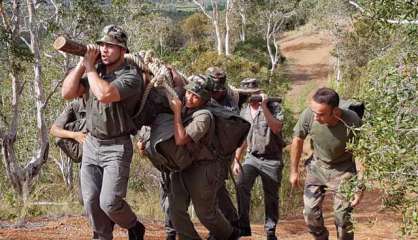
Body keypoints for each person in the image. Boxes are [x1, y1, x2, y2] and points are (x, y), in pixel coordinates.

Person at [61, 24, 145, 240]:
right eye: (102, 45)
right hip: (91, 144)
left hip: (116, 146)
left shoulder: (131, 76)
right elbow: (67, 92)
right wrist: (82, 65)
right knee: (90, 202)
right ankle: (102, 236)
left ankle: (134, 225)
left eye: (111, 46)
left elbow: (105, 94)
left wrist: (89, 68)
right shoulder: (93, 71)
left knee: (109, 202)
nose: (105, 50)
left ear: (123, 50)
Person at [168, 75, 239, 240]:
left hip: (203, 168)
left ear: (204, 100)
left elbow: (181, 139)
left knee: (206, 213)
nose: (189, 98)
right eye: (189, 93)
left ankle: (229, 235)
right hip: (183, 164)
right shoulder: (186, 106)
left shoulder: (204, 116)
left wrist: (177, 112)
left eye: (195, 96)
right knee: (175, 209)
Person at [289, 87, 364, 240]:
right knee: (310, 212)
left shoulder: (352, 120)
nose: (315, 117)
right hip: (317, 166)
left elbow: (361, 153)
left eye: (321, 114)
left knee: (342, 216)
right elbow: (297, 140)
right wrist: (294, 171)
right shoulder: (310, 114)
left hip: (344, 170)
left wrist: (360, 185)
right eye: (314, 112)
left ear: (335, 111)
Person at [233, 78, 284, 240]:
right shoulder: (244, 111)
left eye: (253, 94)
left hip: (272, 159)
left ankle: (270, 230)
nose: (251, 98)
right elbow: (242, 138)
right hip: (252, 158)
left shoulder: (274, 107)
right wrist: (236, 159)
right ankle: (243, 226)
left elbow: (276, 128)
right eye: (247, 95)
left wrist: (264, 106)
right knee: (241, 185)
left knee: (271, 195)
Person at [206, 67, 240, 233]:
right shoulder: (205, 93)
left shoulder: (229, 101)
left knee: (215, 188)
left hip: (222, 152)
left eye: (217, 91)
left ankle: (228, 223)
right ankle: (230, 221)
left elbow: (231, 121)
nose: (215, 94)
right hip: (207, 150)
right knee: (214, 188)